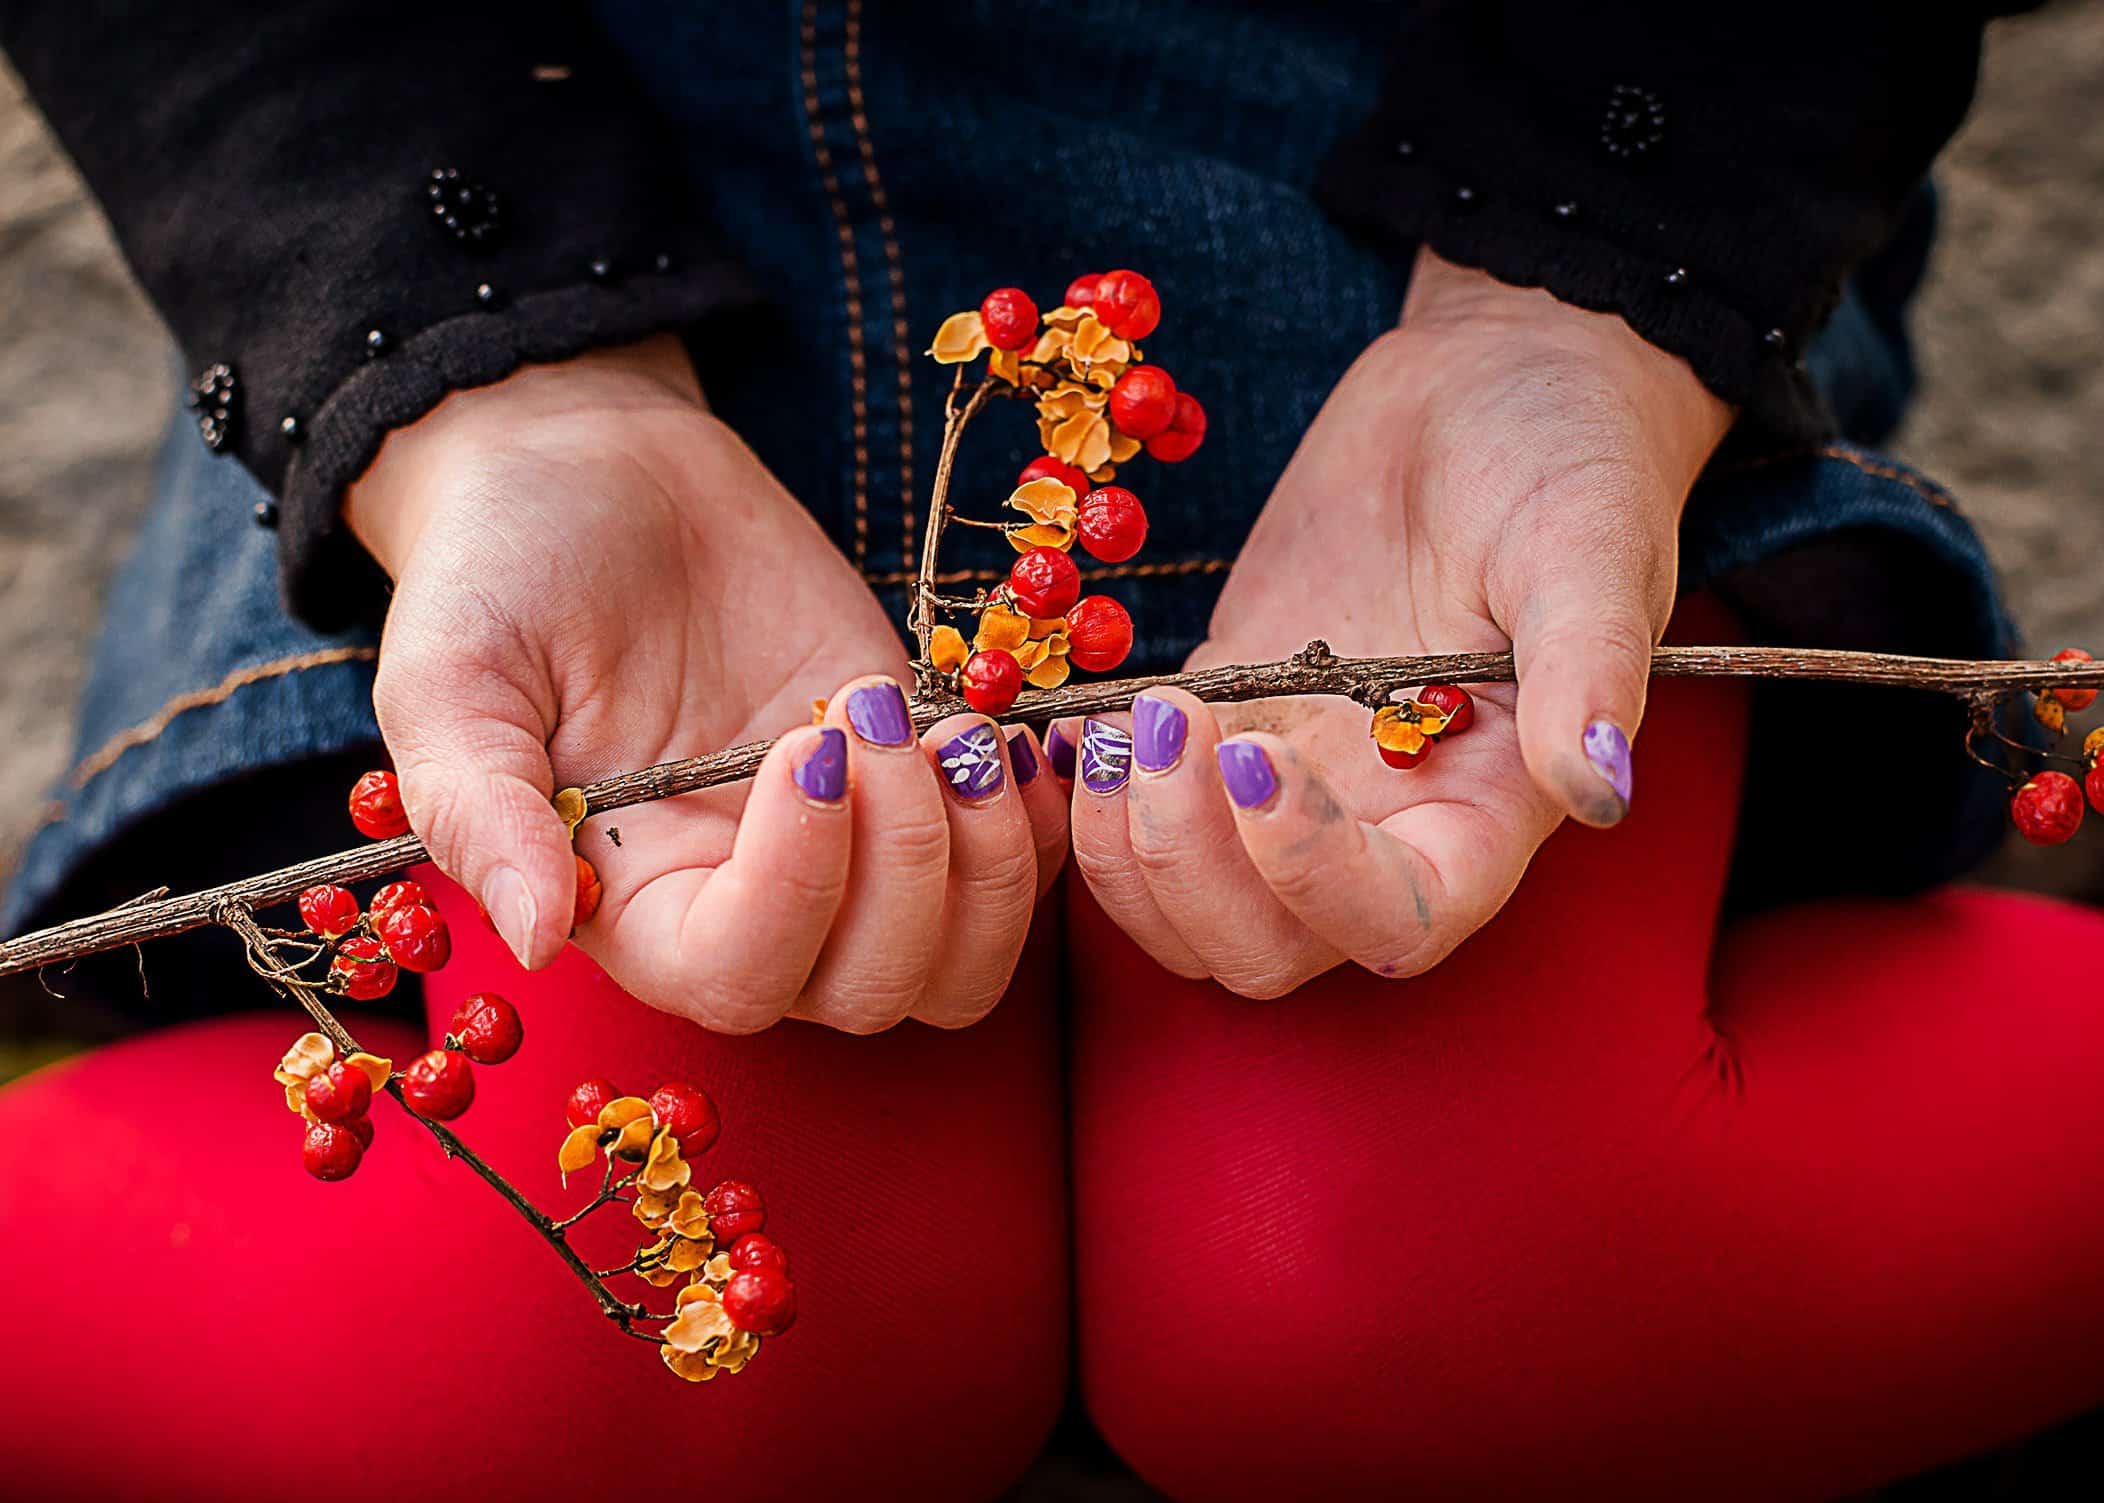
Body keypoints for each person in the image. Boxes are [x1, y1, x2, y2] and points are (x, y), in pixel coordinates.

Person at [4, 3, 2101, 1498]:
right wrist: (490, 407)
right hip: (454, 241)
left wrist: (1575, 316)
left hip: (1529, 232)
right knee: (675, 1349)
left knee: (1395, 1277)